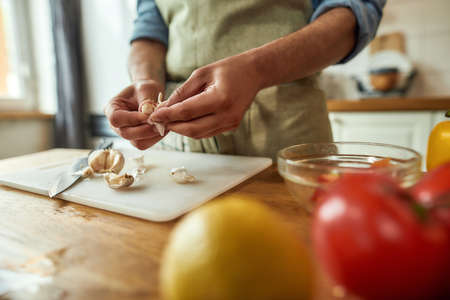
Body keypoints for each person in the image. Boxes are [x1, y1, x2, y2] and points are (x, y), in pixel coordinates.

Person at [105, 0, 385, 159]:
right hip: (180, 151)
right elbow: (148, 31)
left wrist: (257, 69)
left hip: (286, 144)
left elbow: (354, 13)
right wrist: (145, 84)